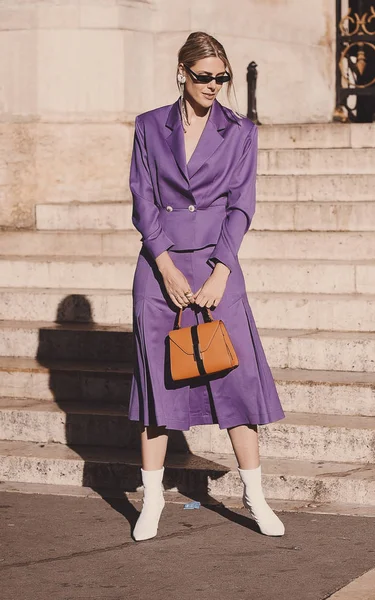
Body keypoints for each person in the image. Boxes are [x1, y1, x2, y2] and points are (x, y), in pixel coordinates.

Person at [128, 31, 286, 542]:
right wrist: (166, 265)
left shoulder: (240, 131)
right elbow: (142, 197)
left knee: (236, 384)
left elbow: (242, 203)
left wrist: (222, 269)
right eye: (204, 76)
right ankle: (151, 501)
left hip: (219, 265)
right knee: (157, 388)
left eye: (222, 77)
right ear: (182, 72)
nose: (215, 85)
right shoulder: (150, 126)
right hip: (161, 266)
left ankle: (255, 495)